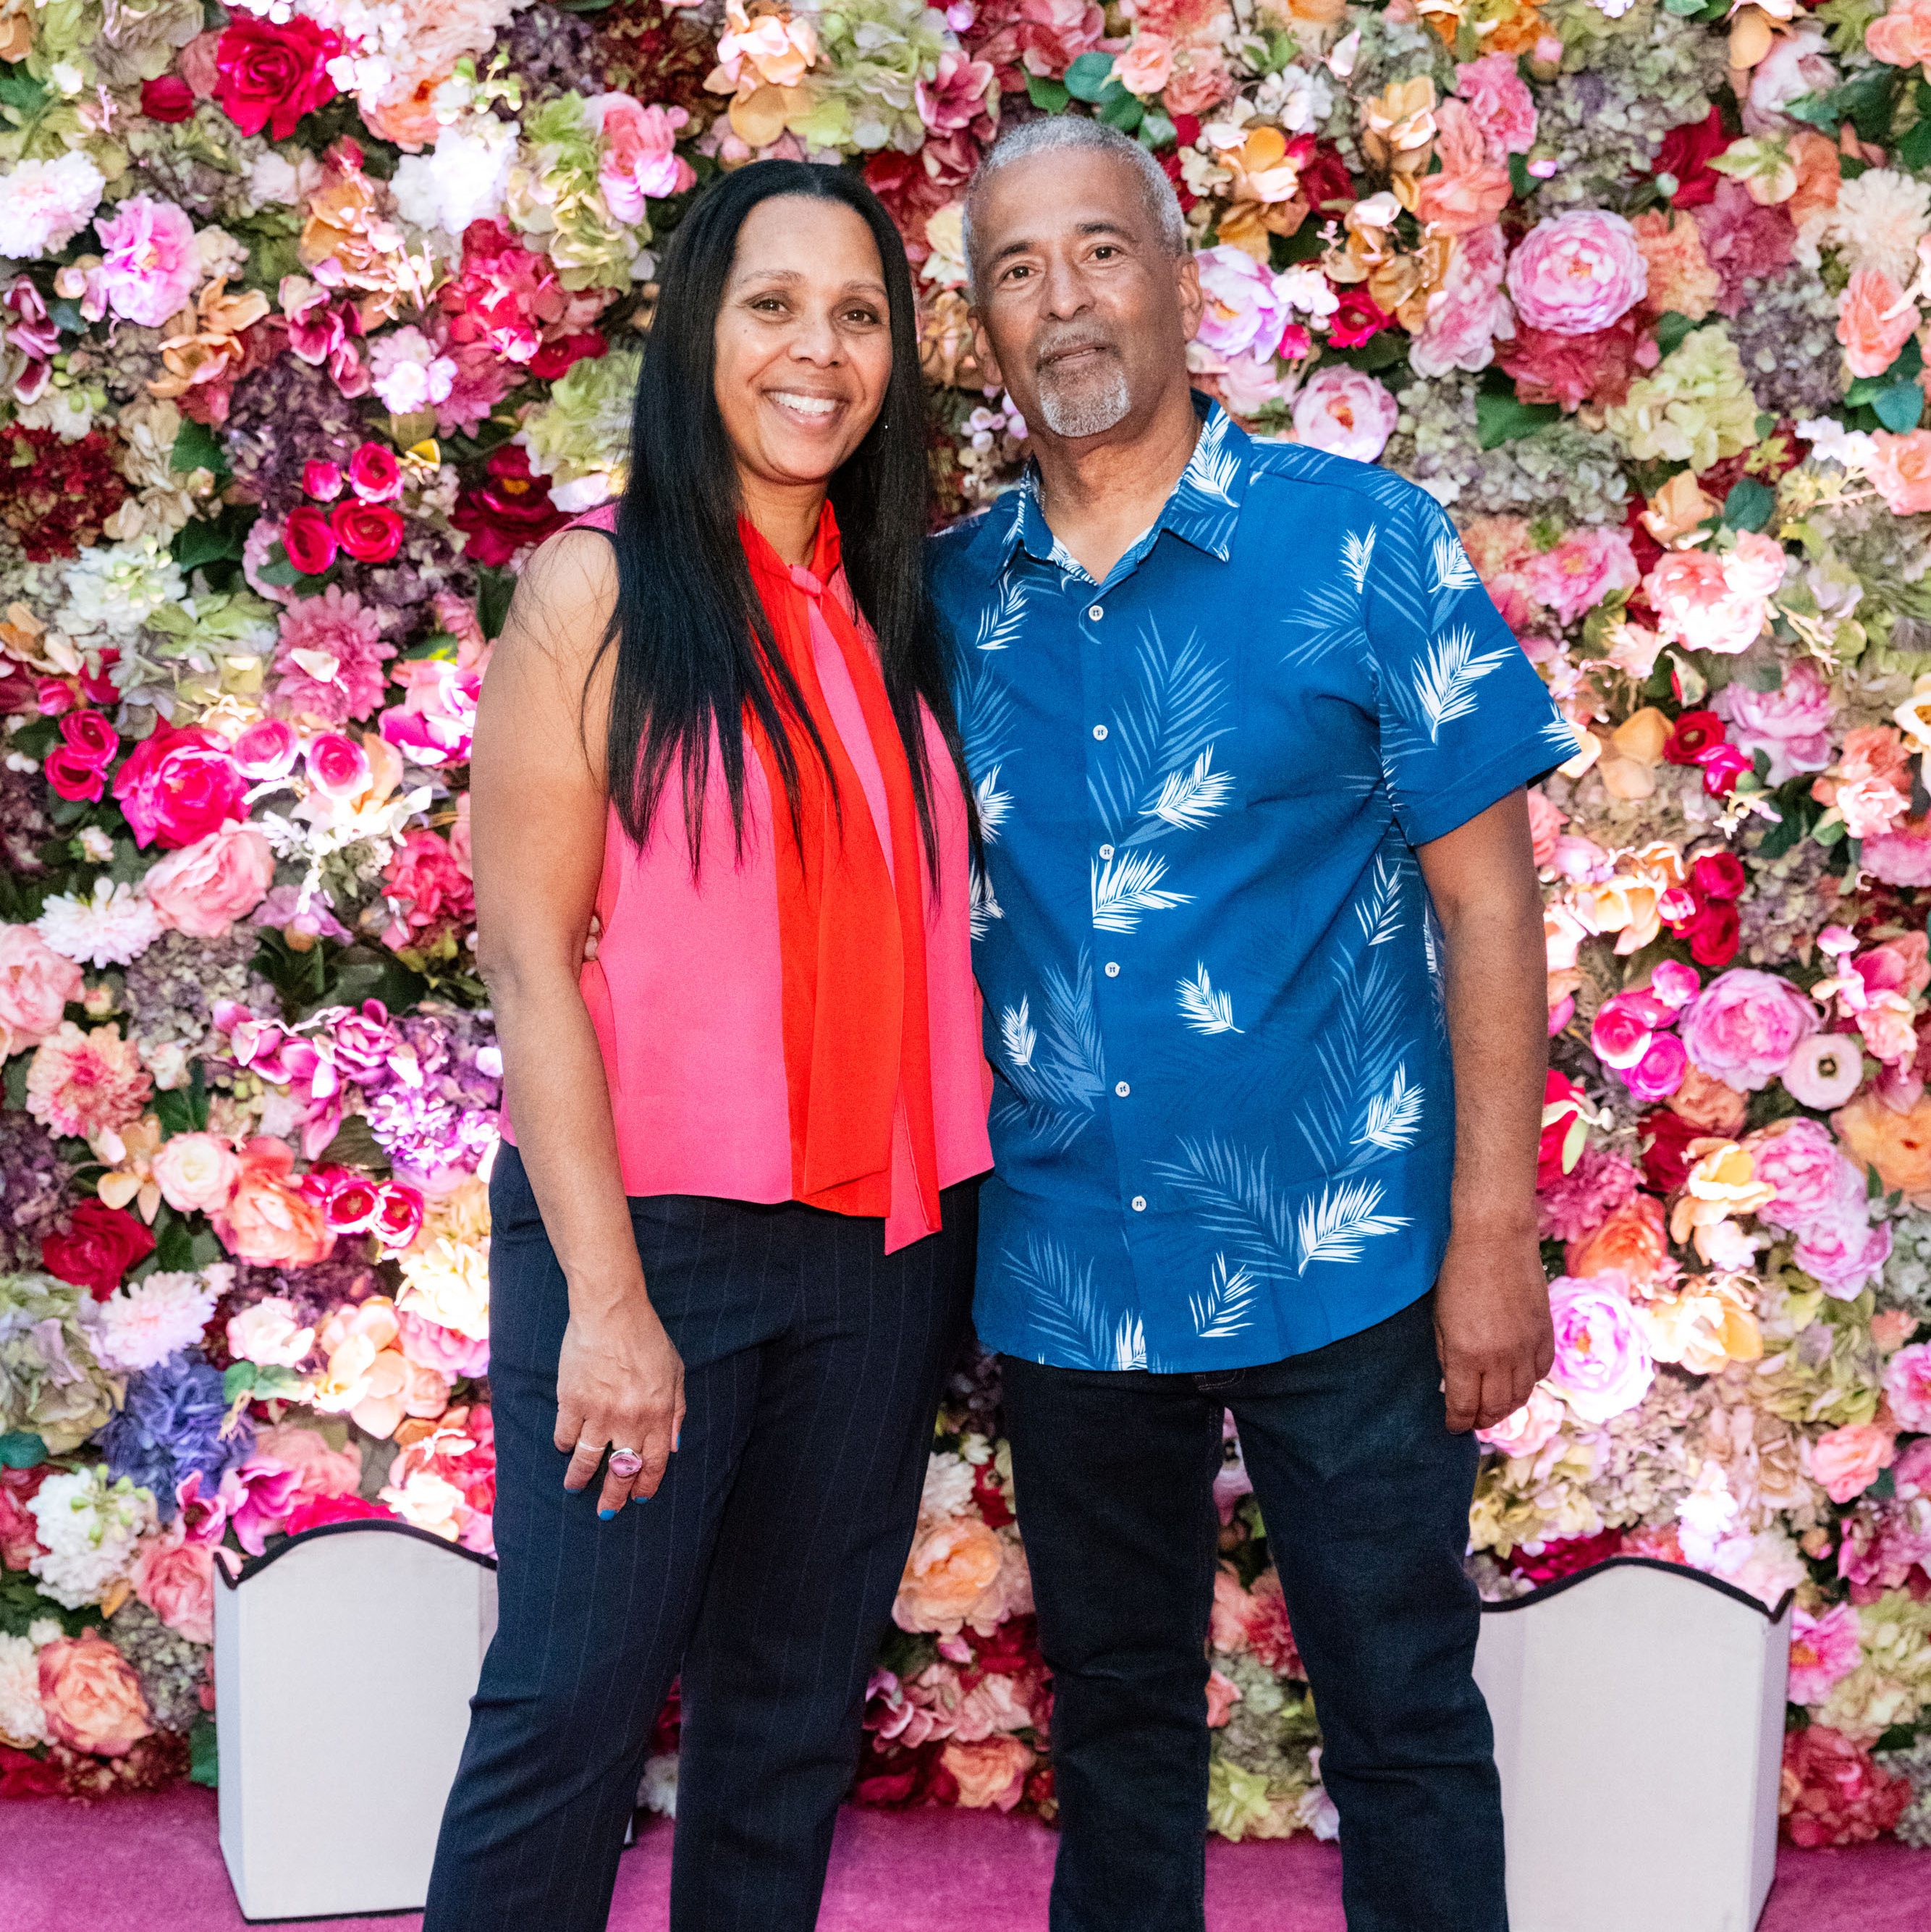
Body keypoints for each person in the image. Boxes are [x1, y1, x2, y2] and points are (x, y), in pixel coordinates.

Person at [927, 118, 1569, 1932]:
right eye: (1013, 271)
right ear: (979, 328)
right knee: (1119, 1731)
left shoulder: (1359, 540)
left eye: (1099, 253)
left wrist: (1492, 1235)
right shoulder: (948, 600)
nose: (1062, 302)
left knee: (1400, 1720)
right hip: (1065, 1266)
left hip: (1344, 1254)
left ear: (1180, 280)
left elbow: (1485, 900)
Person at [424, 161, 990, 1932]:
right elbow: (524, 953)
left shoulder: (890, 609)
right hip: (651, 1244)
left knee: (788, 1727)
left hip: (883, 1254)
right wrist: (603, 1304)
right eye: (771, 304)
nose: (814, 350)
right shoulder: (596, 589)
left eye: (856, 312)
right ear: (695, 328)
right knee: (569, 1716)